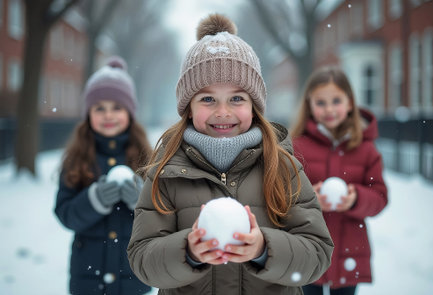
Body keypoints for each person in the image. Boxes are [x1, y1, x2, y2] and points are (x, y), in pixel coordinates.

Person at [127, 14, 333, 295]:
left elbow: (318, 252)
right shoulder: (165, 171)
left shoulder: (282, 167)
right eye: (207, 99)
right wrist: (187, 251)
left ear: (254, 106)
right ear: (188, 107)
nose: (222, 112)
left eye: (237, 98)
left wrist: (263, 249)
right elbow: (142, 258)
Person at [54, 56, 152, 295]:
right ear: (89, 114)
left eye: (117, 107)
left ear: (130, 112)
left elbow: (163, 217)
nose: (108, 115)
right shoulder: (77, 159)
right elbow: (65, 213)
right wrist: (93, 200)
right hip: (88, 280)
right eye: (100, 108)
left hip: (133, 277)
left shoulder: (147, 159)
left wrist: (141, 202)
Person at [290, 66, 388, 295]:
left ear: (350, 103)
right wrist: (309, 198)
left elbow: (380, 196)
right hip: (308, 249)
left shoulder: (366, 150)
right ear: (309, 105)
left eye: (336, 100)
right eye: (321, 102)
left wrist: (356, 199)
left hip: (349, 253)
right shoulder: (297, 147)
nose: (329, 109)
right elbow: (283, 194)